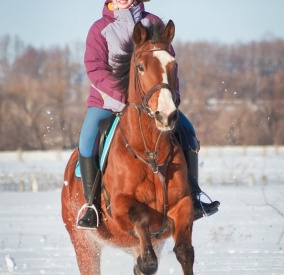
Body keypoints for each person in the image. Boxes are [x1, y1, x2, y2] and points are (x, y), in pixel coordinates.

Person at [77, 0, 220, 230]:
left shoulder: (153, 22)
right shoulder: (99, 29)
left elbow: (169, 66)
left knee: (188, 132)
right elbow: (95, 69)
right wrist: (124, 96)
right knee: (86, 141)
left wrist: (173, 97)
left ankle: (193, 198)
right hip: (108, 102)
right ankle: (91, 207)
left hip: (154, 103)